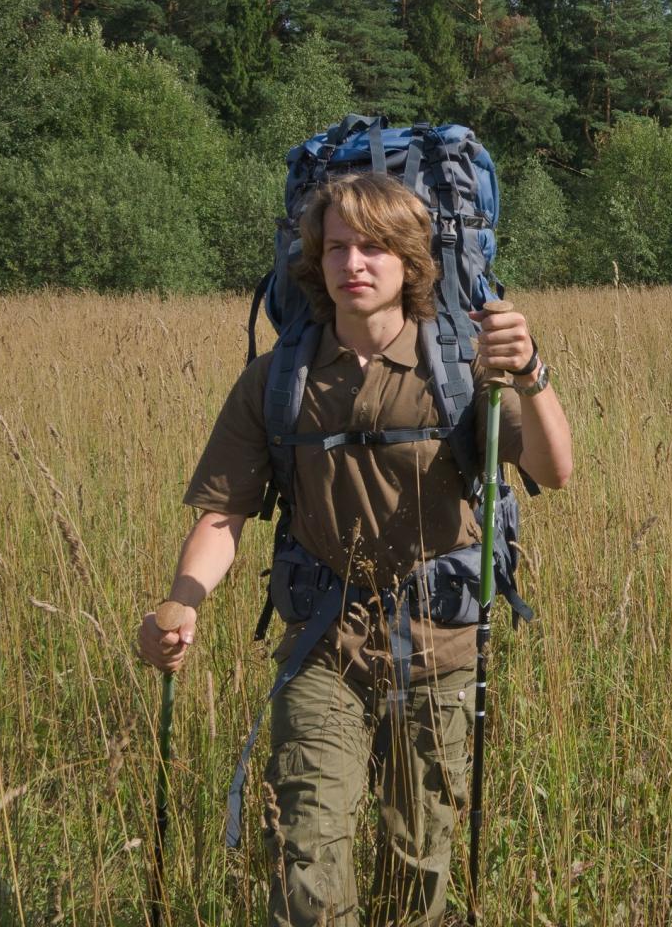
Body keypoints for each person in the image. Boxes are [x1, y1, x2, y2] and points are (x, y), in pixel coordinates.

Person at [137, 172, 572, 926]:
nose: (354, 263)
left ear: (411, 260)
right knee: (305, 850)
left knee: (418, 862)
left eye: (374, 246)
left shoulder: (464, 368)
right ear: (316, 262)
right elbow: (223, 517)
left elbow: (551, 471)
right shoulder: (277, 381)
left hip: (441, 649)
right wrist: (186, 599)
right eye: (338, 246)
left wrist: (529, 374)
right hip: (323, 647)